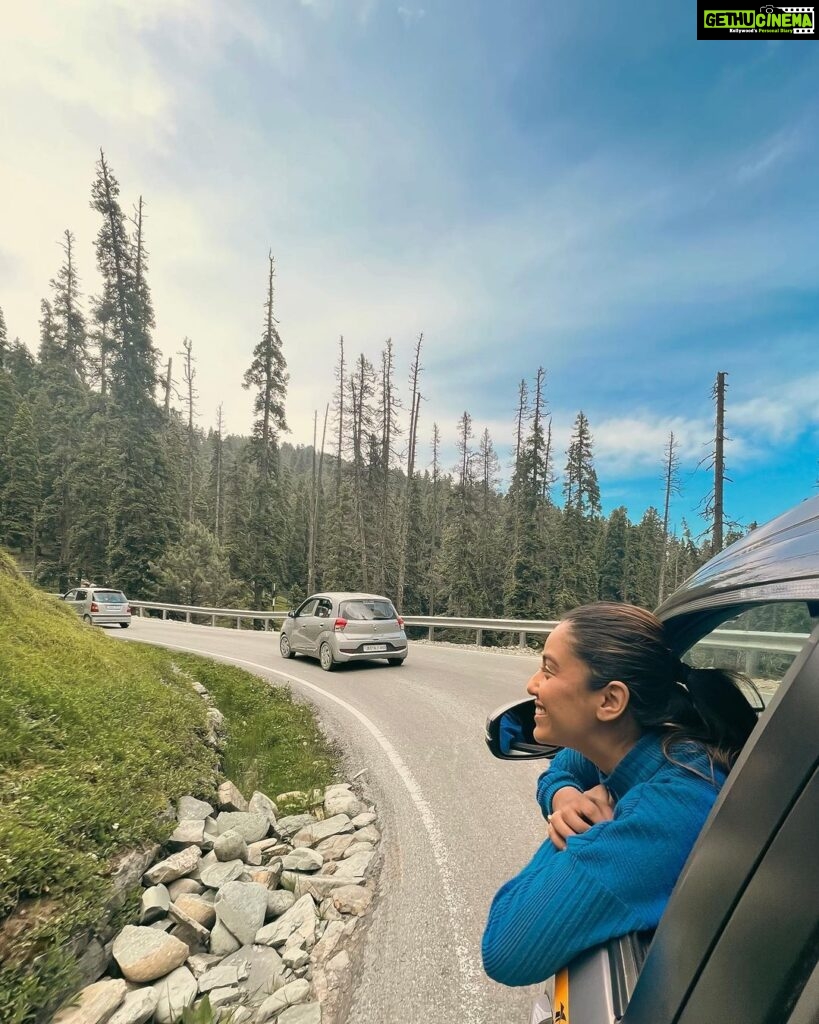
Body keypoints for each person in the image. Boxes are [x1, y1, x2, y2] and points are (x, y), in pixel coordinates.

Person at [482, 601, 759, 987]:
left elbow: (505, 950)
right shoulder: (653, 744)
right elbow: (564, 766)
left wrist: (577, 835)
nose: (532, 685)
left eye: (548, 669)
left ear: (610, 701)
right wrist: (564, 799)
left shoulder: (665, 810)